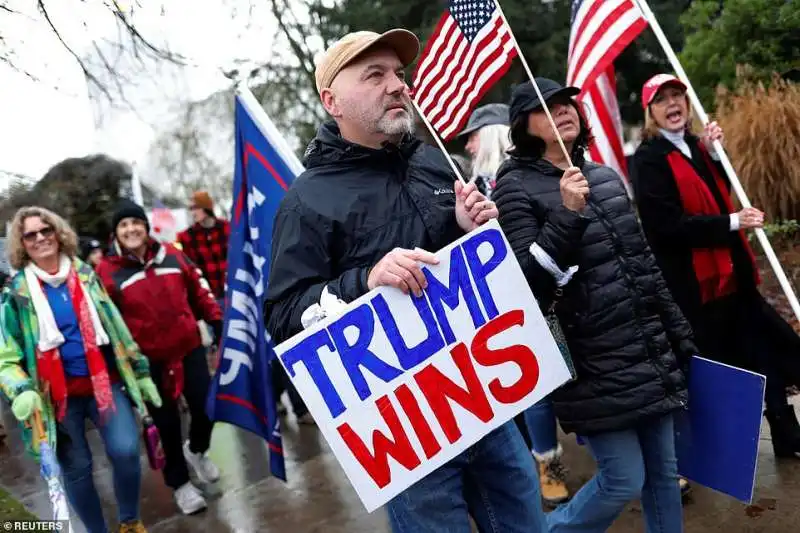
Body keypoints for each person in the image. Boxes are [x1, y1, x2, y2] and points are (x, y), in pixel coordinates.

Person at [265, 29, 548, 533]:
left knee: (526, 520)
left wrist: (467, 229)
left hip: (483, 393)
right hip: (405, 431)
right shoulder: (306, 202)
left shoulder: (433, 160)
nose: (398, 85)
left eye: (399, 73)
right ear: (333, 101)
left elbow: (459, 262)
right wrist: (365, 281)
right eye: (375, 75)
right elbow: (284, 316)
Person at [493, 78, 693, 532]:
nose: (565, 110)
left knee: (663, 474)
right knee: (623, 479)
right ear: (523, 124)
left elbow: (643, 263)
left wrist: (677, 331)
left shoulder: (603, 175)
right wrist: (566, 213)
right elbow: (527, 282)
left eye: (568, 103)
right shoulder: (514, 186)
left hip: (646, 348)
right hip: (591, 359)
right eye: (548, 107)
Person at [632, 73, 800, 458]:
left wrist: (711, 154)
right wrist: (732, 222)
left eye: (678, 96)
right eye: (662, 100)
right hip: (696, 289)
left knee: (769, 350)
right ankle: (707, 453)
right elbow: (665, 227)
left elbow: (720, 194)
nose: (673, 105)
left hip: (734, 279)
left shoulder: (698, 146)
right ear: (651, 112)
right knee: (716, 372)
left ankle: (786, 431)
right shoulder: (648, 160)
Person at [0, 206, 161, 533]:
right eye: (30, 234)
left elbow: (115, 327)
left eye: (46, 230)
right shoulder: (16, 293)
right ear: (22, 243)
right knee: (77, 470)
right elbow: (6, 356)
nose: (41, 238)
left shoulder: (86, 275)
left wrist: (140, 373)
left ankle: (130, 521)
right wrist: (20, 390)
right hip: (57, 399)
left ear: (58, 233)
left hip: (105, 384)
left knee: (127, 451)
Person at [460, 101, 571, 506]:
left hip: (553, 299)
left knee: (575, 377)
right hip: (507, 310)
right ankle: (549, 468)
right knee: (535, 391)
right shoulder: (469, 192)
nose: (468, 145)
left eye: (474, 135)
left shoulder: (526, 179)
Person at [96, 199, 223, 515]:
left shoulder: (172, 254)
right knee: (167, 425)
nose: (131, 229)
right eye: (123, 225)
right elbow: (105, 322)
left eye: (135, 222)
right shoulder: (107, 272)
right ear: (116, 233)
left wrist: (215, 320)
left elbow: (199, 288)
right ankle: (180, 485)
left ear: (145, 225)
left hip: (189, 347)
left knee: (207, 406)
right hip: (148, 363)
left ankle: (197, 450)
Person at [176, 191, 230, 307]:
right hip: (210, 298)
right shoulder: (186, 237)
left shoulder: (227, 228)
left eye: (195, 207)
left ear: (206, 207)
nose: (192, 212)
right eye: (190, 208)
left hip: (232, 292)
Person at [458, 103, 511, 198]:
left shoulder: (526, 175)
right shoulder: (478, 186)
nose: (467, 146)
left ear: (491, 138)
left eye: (473, 138)